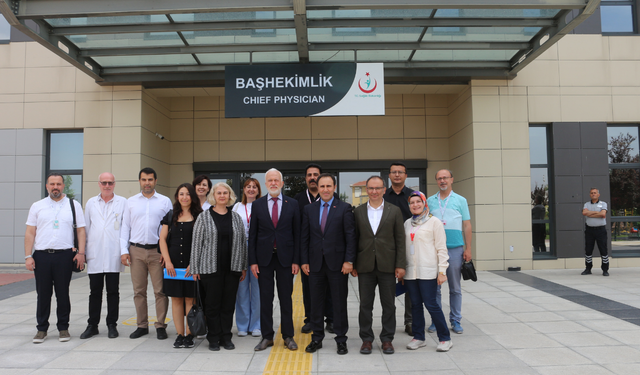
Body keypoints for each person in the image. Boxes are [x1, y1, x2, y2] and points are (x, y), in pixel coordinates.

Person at [25, 173, 86, 343]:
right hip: (42, 256)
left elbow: (81, 230)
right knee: (43, 294)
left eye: (58, 184)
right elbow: (30, 232)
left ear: (63, 186)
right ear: (47, 186)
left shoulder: (73, 205)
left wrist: (81, 252)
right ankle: (41, 329)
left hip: (64, 256)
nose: (55, 187)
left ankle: (63, 328)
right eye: (52, 184)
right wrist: (28, 255)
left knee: (62, 293)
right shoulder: (37, 206)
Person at [301, 173, 356, 355]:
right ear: (318, 187)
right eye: (322, 186)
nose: (325, 189)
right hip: (315, 265)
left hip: (338, 264)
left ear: (334, 187)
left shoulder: (344, 208)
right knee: (315, 303)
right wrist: (304, 261)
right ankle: (317, 338)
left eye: (328, 186)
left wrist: (349, 261)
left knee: (338, 303)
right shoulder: (309, 209)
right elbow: (305, 238)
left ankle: (341, 339)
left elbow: (350, 237)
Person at [352, 176, 405, 355]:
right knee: (365, 305)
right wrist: (352, 263)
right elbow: (354, 239)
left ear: (384, 189)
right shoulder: (358, 211)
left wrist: (400, 265)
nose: (374, 191)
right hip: (365, 266)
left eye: (378, 188)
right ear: (367, 190)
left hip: (388, 266)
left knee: (388, 304)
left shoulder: (395, 211)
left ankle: (387, 339)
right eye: (371, 188)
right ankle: (366, 339)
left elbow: (400, 240)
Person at [191, 182, 247, 351]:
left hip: (232, 269)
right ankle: (213, 338)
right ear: (213, 196)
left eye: (225, 193)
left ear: (230, 196)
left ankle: (226, 337)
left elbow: (242, 244)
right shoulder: (203, 217)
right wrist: (195, 268)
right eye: (219, 193)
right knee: (212, 305)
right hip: (210, 269)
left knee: (228, 305)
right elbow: (196, 244)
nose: (222, 195)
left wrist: (243, 266)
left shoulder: (236, 217)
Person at [249, 168, 301, 352]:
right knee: (265, 299)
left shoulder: (292, 204)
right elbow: (253, 235)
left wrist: (296, 260)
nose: (273, 183)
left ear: (282, 183)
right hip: (264, 260)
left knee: (286, 298)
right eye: (270, 180)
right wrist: (253, 261)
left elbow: (297, 234)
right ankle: (267, 336)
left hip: (286, 259)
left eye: (276, 180)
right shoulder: (257, 205)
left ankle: (288, 336)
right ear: (265, 183)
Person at [120, 167, 172, 340]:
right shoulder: (131, 202)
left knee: (160, 291)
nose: (147, 183)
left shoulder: (164, 202)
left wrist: (167, 253)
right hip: (136, 251)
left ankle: (160, 325)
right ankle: (142, 325)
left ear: (155, 181)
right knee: (139, 291)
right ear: (139, 181)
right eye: (144, 179)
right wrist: (124, 251)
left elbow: (170, 229)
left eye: (150, 179)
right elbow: (125, 227)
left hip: (157, 252)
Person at [404, 191, 452, 352]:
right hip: (411, 272)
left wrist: (442, 271)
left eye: (418, 201)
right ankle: (418, 337)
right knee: (415, 305)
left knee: (432, 305)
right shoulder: (407, 224)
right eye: (412, 202)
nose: (415, 205)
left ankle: (445, 338)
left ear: (424, 203)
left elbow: (441, 248)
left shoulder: (434, 222)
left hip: (428, 271)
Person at [81, 172, 127, 340]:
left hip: (113, 253)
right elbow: (85, 229)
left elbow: (125, 228)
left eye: (110, 183)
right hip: (95, 253)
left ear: (114, 184)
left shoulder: (122, 202)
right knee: (95, 292)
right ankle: (92, 325)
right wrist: (83, 251)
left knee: (113, 291)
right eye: (104, 183)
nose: (107, 185)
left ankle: (111, 324)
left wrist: (124, 251)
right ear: (99, 184)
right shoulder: (91, 203)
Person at [426, 169, 471, 335]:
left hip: (454, 249)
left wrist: (468, 248)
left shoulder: (461, 200)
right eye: (439, 178)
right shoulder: (430, 201)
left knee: (455, 287)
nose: (442, 180)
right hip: (435, 250)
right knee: (434, 288)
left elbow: (466, 225)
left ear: (452, 179)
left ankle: (455, 320)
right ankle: (436, 321)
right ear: (436, 181)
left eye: (445, 178)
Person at [159, 183, 203, 348]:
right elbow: (162, 239)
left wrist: (195, 263)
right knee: (176, 299)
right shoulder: (170, 215)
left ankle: (189, 335)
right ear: (177, 196)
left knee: (191, 300)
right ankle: (180, 334)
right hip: (173, 265)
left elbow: (203, 242)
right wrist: (168, 260)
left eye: (188, 194)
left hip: (192, 265)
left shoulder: (200, 215)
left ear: (193, 196)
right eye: (181, 194)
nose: (184, 197)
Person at [294, 163, 334, 334]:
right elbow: (297, 229)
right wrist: (302, 258)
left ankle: (331, 320)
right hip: (309, 252)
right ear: (306, 179)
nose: (312, 177)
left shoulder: (333, 198)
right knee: (309, 288)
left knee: (330, 289)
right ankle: (310, 319)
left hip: (330, 252)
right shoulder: (298, 199)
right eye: (309, 175)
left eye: (315, 174)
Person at [383, 162, 415, 336]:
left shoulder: (413, 195)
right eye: (393, 172)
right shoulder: (383, 195)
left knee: (410, 284)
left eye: (400, 172)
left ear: (405, 175)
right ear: (389, 175)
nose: (397, 175)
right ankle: (390, 323)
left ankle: (410, 321)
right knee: (388, 287)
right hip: (386, 246)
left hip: (409, 245)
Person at [232, 178, 262, 338]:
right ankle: (242, 325)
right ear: (243, 190)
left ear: (258, 190)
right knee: (242, 288)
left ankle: (256, 325)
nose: (251, 189)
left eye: (254, 187)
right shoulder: (236, 207)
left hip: (257, 248)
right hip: (240, 248)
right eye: (248, 187)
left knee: (257, 289)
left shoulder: (262, 206)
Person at [581, 188, 610, 276]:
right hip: (589, 230)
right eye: (591, 193)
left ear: (598, 194)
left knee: (603, 250)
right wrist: (597, 213)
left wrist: (590, 213)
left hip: (600, 230)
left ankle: (605, 270)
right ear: (590, 195)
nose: (593, 194)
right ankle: (588, 268)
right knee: (588, 250)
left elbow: (603, 214)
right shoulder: (586, 204)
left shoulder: (603, 204)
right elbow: (584, 213)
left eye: (595, 193)